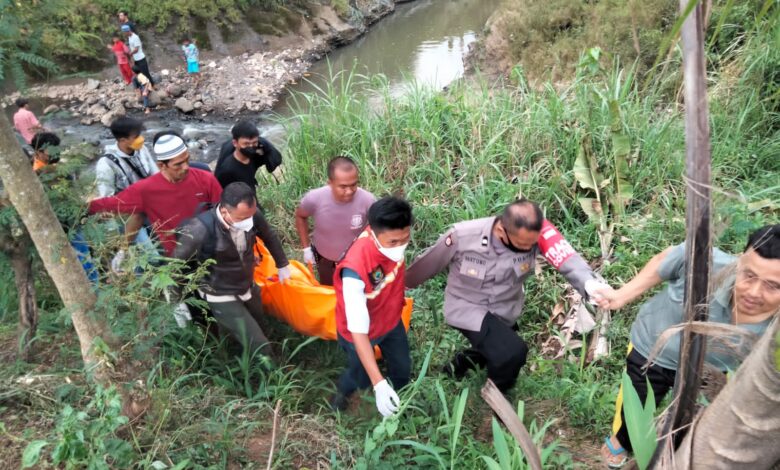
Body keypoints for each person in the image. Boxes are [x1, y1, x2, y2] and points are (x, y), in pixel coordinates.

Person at [596, 224, 780, 468]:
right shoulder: (705, 265)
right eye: (749, 275)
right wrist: (621, 295)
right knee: (634, 407)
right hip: (655, 350)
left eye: (773, 286)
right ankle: (621, 442)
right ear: (739, 262)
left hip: (715, 372)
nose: (754, 292)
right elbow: (667, 258)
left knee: (697, 425)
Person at [405, 199, 609, 394]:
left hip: (504, 310)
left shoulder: (535, 234)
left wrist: (589, 284)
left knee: (497, 343)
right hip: (467, 308)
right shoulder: (464, 236)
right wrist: (398, 287)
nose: (530, 248)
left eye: (533, 243)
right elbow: (427, 264)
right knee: (512, 352)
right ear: (501, 230)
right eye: (523, 245)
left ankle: (458, 366)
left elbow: (566, 258)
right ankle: (497, 395)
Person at [173, 182, 291, 353]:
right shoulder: (199, 229)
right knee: (259, 345)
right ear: (224, 212)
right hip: (220, 292)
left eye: (250, 216)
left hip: (247, 285)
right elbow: (175, 265)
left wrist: (282, 264)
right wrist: (178, 301)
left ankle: (239, 348)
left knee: (262, 327)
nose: (248, 222)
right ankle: (270, 374)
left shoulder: (251, 214)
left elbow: (269, 235)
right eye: (242, 219)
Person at [331, 196, 413, 417]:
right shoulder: (355, 270)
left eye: (405, 239)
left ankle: (399, 395)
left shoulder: (390, 235)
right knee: (360, 374)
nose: (400, 246)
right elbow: (359, 331)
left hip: (390, 320)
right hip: (359, 332)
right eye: (393, 242)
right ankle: (340, 397)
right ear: (374, 235)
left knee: (402, 368)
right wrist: (378, 384)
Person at [88, 133, 223, 256]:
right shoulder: (145, 189)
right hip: (177, 256)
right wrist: (80, 209)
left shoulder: (205, 179)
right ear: (161, 165)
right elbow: (111, 203)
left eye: (187, 160)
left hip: (209, 250)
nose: (186, 167)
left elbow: (223, 214)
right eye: (178, 164)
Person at [294, 156, 375, 285]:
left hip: (356, 263)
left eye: (353, 184)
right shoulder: (315, 199)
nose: (349, 191)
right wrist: (306, 249)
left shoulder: (368, 201)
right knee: (330, 293)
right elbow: (300, 216)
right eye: (343, 187)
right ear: (330, 183)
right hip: (326, 262)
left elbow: (378, 229)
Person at [214, 121, 282, 189]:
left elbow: (276, 158)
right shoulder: (227, 166)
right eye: (246, 144)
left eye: (254, 142)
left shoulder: (260, 146)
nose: (250, 146)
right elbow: (218, 185)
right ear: (235, 143)